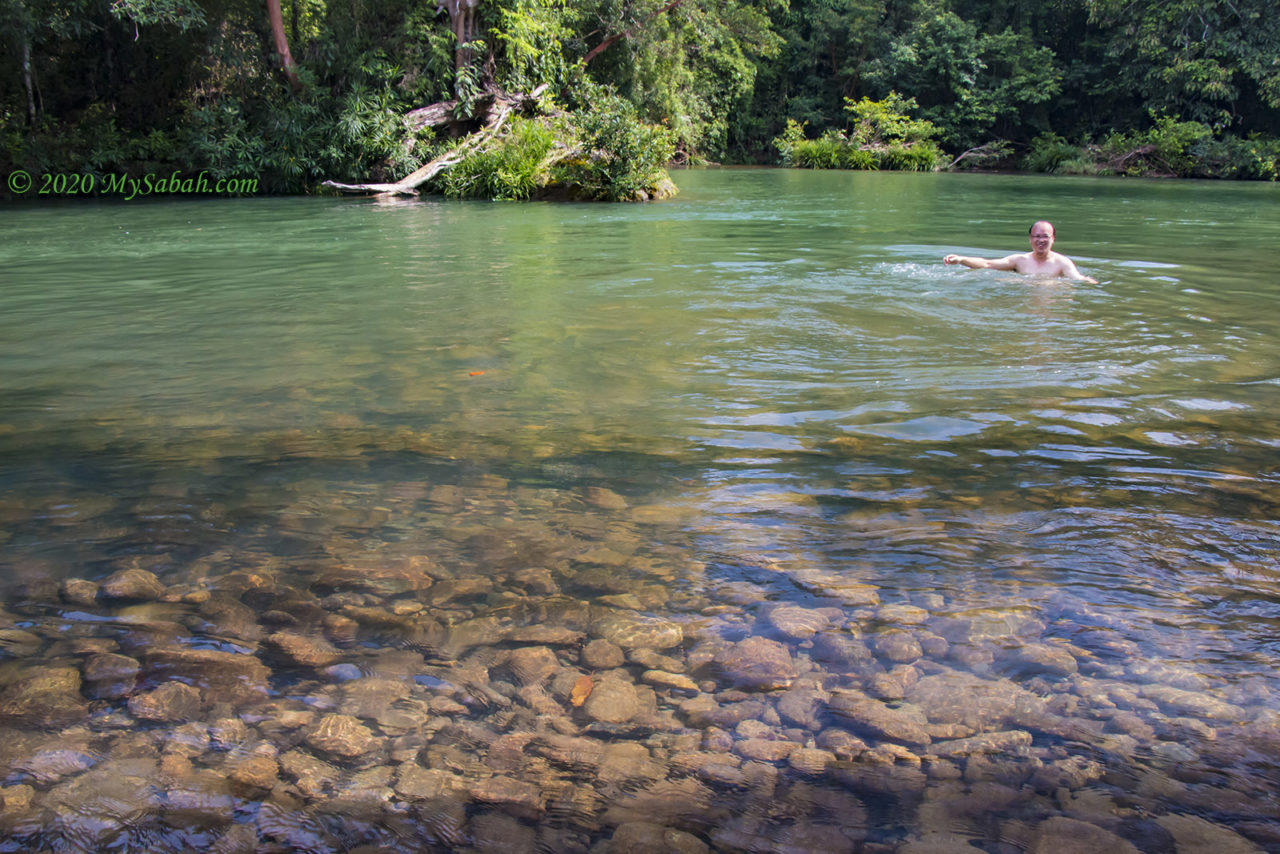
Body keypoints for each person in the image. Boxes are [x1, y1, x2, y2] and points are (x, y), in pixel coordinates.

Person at [943, 221, 1097, 283]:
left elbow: (1078, 279)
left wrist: (1092, 282)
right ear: (1030, 239)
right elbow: (987, 264)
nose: (1041, 241)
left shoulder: (1062, 263)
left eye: (1045, 237)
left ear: (1053, 239)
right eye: (1037, 236)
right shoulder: (1019, 261)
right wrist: (961, 259)